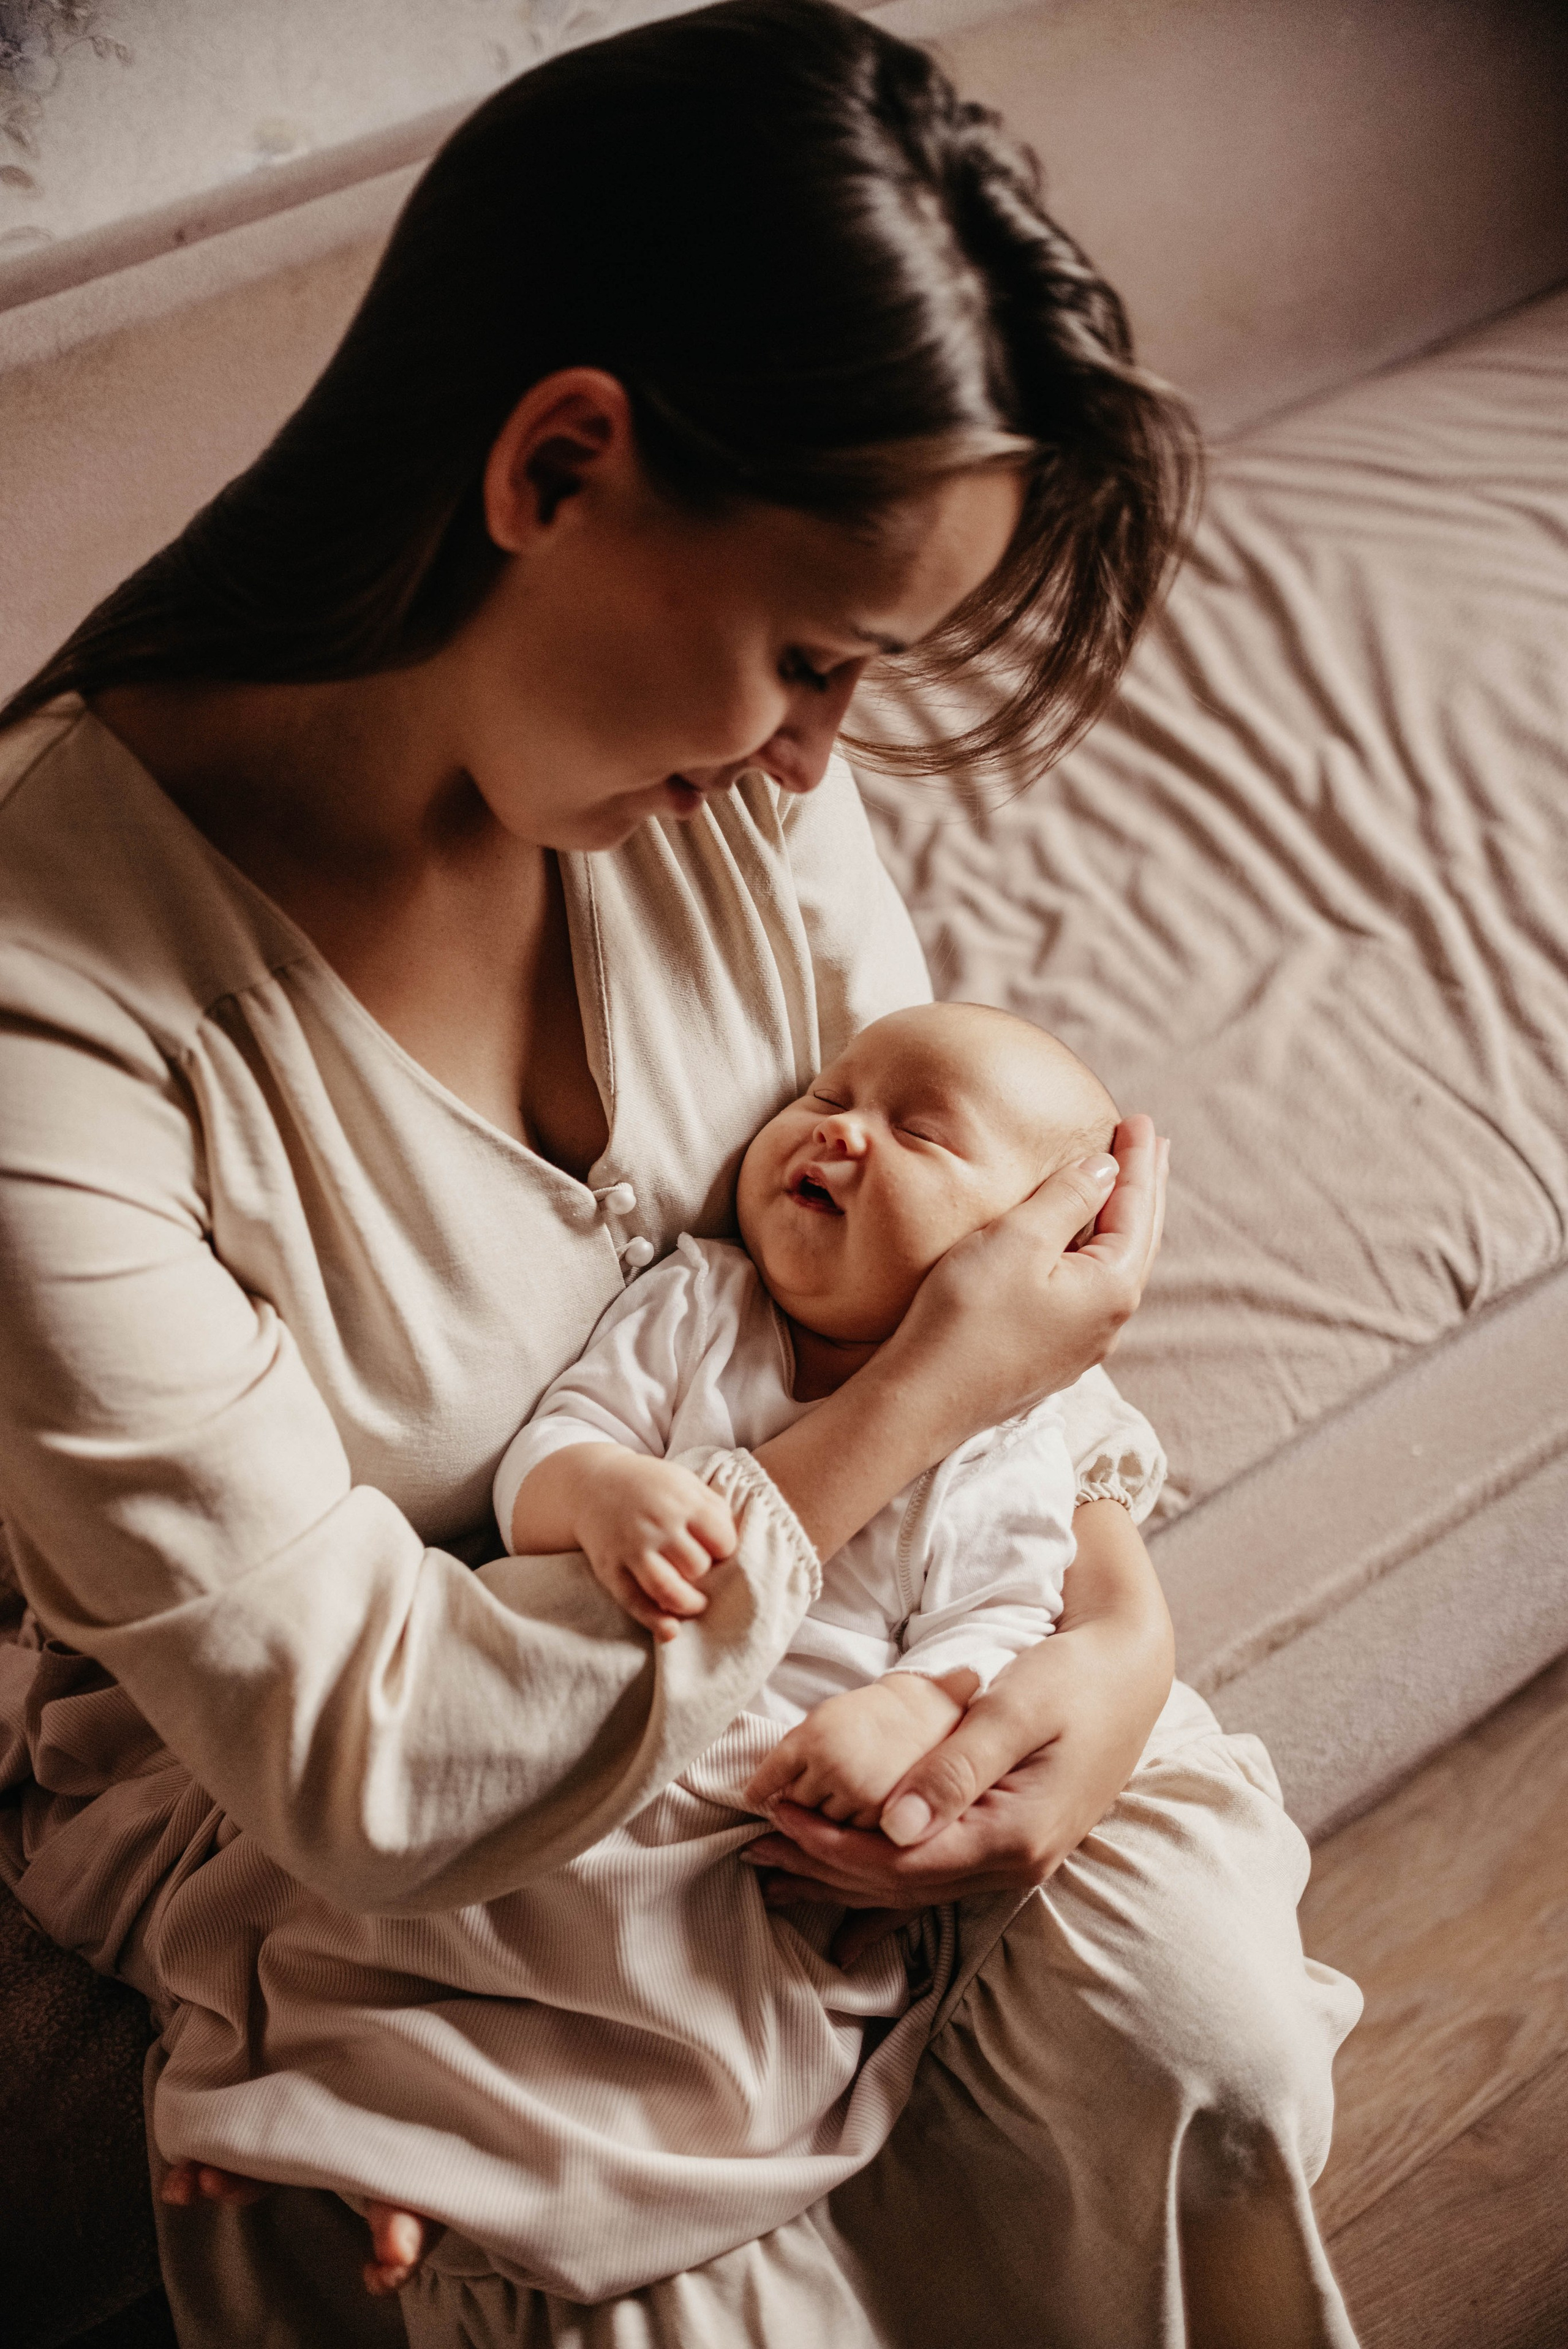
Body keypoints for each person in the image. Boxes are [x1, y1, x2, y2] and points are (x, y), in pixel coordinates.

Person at [0, 2, 1360, 2342]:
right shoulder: (58, 1008)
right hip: (373, 1783)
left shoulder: (720, 782)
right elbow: (375, 1745)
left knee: (1206, 2021)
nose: (820, 760)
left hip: (843, 1629)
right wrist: (900, 1419)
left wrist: (1113, 1633)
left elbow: (978, 1289)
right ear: (556, 469)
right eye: (810, 657)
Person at [148, 1006, 1170, 2306]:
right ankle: (358, 2113)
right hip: (583, 1697)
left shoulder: (1001, 1441)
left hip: (761, 1787)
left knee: (726, 2037)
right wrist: (603, 1495)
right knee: (433, 1910)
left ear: (1017, 1254)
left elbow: (1000, 1618)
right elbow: (548, 1454)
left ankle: (464, 2168)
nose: (835, 1125)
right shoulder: (703, 1298)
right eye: (825, 1089)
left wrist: (914, 1703)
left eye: (914, 1131)